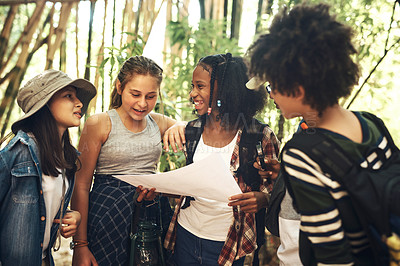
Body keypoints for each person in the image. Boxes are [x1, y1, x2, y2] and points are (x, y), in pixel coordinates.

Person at [247, 2, 384, 265]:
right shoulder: (370, 124)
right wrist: (285, 177)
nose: (270, 94)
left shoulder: (304, 151)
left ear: (298, 89)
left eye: (272, 86)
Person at [162, 53, 280, 265]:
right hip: (186, 235)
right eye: (192, 86)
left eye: (200, 86)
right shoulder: (191, 131)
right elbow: (189, 184)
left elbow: (277, 190)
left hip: (231, 243)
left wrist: (263, 199)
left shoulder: (260, 136)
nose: (192, 93)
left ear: (224, 90)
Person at [71, 55, 179, 266]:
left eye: (151, 96)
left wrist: (177, 127)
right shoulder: (99, 123)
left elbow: (189, 128)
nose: (142, 103)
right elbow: (81, 185)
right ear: (120, 87)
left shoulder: (158, 122)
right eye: (135, 94)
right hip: (109, 215)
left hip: (151, 214)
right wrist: (80, 245)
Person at [0, 69, 96, 266]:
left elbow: (43, 206)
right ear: (45, 105)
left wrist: (71, 215)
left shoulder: (66, 158)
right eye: (69, 96)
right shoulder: (18, 152)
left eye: (77, 97)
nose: (79, 103)